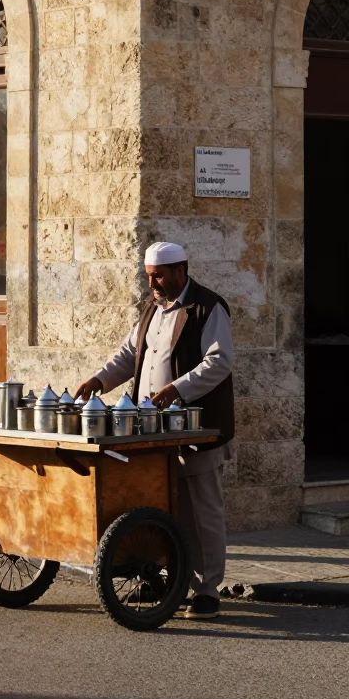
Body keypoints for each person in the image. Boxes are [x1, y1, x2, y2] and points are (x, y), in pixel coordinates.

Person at [75, 241, 234, 620]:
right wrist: (99, 380)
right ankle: (171, 582)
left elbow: (220, 361)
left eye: (159, 276)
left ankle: (208, 590)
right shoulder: (152, 308)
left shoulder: (207, 307)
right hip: (154, 432)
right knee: (163, 509)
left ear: (181, 270)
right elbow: (129, 355)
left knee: (202, 512)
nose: (153, 284)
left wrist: (178, 388)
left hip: (196, 429)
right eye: (149, 276)